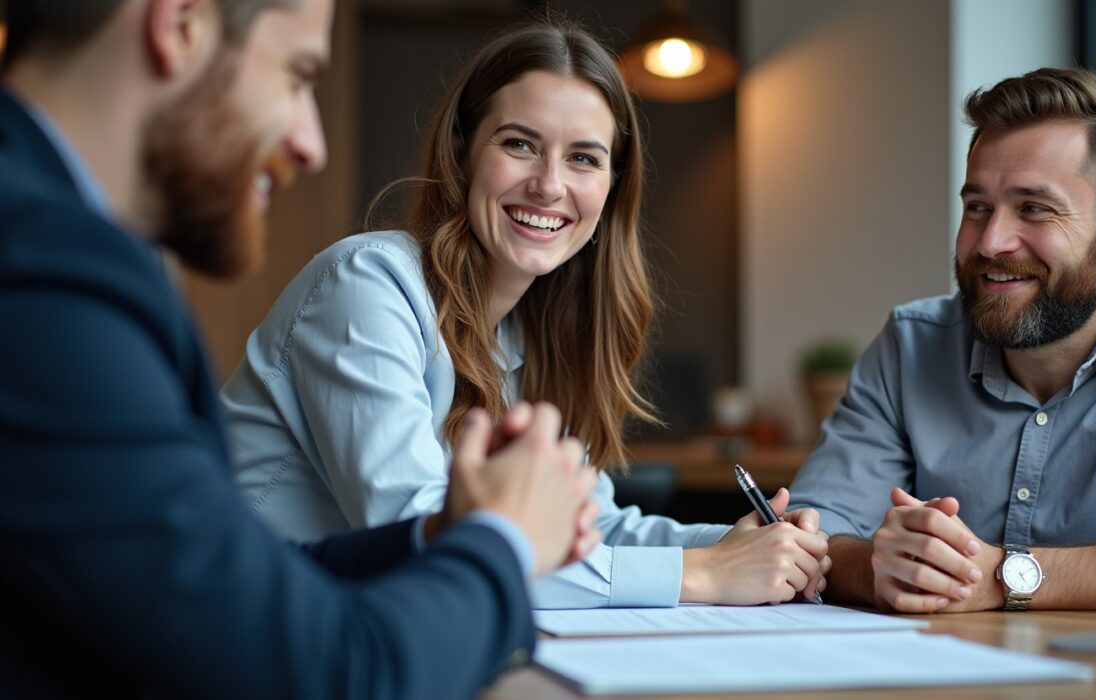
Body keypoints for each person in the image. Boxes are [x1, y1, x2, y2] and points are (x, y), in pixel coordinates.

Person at [0, 1, 603, 698]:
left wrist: (440, 535)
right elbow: (332, 676)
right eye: (297, 75)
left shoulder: (66, 253)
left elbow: (226, 578)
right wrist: (501, 541)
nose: (310, 143)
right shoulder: (43, 279)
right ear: (181, 24)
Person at [220, 19, 831, 609]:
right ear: (462, 154)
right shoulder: (366, 286)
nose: (548, 185)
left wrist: (743, 545)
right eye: (519, 144)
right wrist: (700, 575)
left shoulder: (534, 337)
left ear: (611, 191)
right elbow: (427, 539)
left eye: (584, 159)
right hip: (254, 646)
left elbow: (595, 528)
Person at [789, 67, 1096, 614]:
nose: (990, 241)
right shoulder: (911, 346)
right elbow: (809, 535)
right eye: (977, 207)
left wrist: (1003, 577)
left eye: (1034, 208)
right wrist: (882, 569)